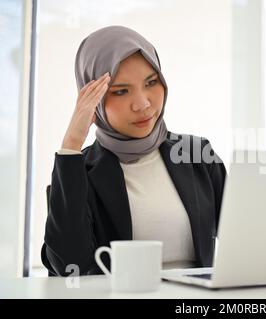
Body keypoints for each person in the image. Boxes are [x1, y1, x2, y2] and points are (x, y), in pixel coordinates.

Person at [41, 26, 226, 276]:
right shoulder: (78, 170)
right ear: (92, 101)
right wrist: (72, 143)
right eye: (120, 91)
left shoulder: (196, 153)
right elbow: (68, 267)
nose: (143, 104)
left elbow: (248, 236)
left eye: (151, 82)